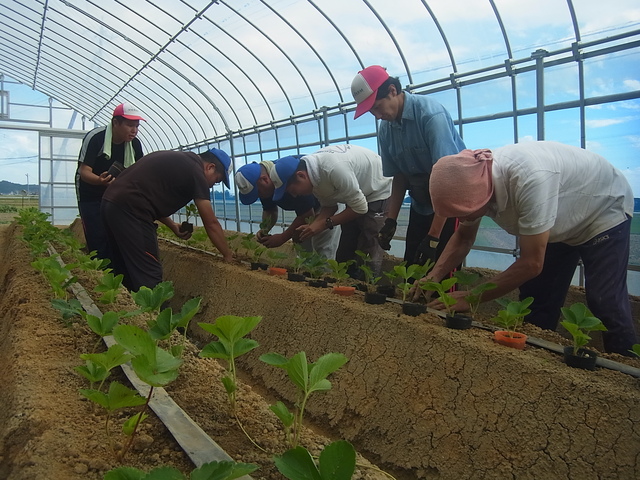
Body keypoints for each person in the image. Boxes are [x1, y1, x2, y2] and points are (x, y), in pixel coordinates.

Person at [417, 141, 638, 355]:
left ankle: (625, 370)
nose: (460, 218)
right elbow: (464, 237)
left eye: (462, 212)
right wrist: (434, 275)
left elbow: (532, 263)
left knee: (604, 299)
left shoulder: (530, 178)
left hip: (602, 210)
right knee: (538, 297)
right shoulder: (474, 180)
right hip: (558, 217)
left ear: (479, 196)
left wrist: (473, 296)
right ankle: (537, 364)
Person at [351, 65, 466, 268]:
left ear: (393, 91)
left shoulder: (431, 116)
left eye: (377, 107)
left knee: (441, 269)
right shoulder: (386, 129)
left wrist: (433, 237)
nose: (376, 116)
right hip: (421, 202)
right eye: (371, 111)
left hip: (450, 204)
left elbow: (448, 181)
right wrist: (391, 221)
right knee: (411, 266)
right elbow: (399, 176)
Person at [101, 148, 234, 292]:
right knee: (149, 273)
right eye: (217, 180)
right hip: (131, 211)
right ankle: (153, 312)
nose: (212, 185)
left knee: (125, 268)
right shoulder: (196, 172)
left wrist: (172, 225)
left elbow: (148, 195)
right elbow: (211, 223)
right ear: (210, 167)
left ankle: (126, 309)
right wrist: (228, 255)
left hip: (111, 203)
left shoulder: (182, 160)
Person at [271, 144, 392, 275]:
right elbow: (330, 206)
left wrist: (325, 223)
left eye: (292, 190)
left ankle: (368, 285)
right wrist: (314, 226)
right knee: (347, 243)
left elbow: (361, 208)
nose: (294, 195)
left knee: (370, 240)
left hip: (378, 189)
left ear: (301, 176)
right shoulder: (314, 177)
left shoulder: (333, 169)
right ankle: (345, 282)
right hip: (356, 194)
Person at [75, 102, 146, 260]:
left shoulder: (135, 144)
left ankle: (119, 276)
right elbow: (84, 171)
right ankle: (100, 274)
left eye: (137, 126)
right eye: (129, 125)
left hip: (116, 193)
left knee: (118, 235)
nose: (134, 130)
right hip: (90, 193)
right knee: (97, 236)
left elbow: (139, 173)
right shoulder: (96, 138)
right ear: (116, 123)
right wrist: (100, 181)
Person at [235, 160, 338, 259]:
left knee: (322, 244)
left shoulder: (288, 174)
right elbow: (270, 210)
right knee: (301, 240)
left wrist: (282, 237)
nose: (258, 196)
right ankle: (307, 271)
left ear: (265, 179)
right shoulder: (264, 182)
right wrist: (265, 229)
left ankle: (326, 274)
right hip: (308, 211)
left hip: (327, 204)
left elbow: (307, 214)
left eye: (258, 193)